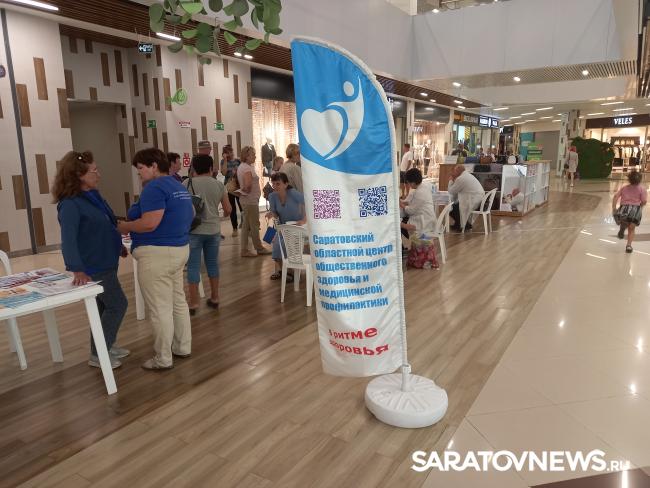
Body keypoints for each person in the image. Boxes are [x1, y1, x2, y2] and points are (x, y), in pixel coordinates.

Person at [117, 148, 194, 370]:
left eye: (141, 168)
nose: (139, 173)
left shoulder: (154, 188)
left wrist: (125, 226)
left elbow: (150, 223)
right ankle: (182, 347)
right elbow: (190, 214)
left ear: (153, 166)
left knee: (160, 309)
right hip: (179, 249)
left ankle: (163, 358)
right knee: (177, 302)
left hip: (157, 254)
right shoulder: (177, 186)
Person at [53, 151, 128, 370]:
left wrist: (118, 244)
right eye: (94, 171)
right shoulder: (70, 205)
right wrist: (77, 269)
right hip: (94, 265)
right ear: (79, 175)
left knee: (103, 307)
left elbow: (107, 223)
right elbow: (68, 240)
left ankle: (103, 347)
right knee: (117, 305)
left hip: (107, 259)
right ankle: (98, 354)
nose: (99, 174)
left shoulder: (93, 196)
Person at [183, 154, 231, 314]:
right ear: (211, 168)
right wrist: (217, 215)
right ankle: (215, 297)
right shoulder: (218, 185)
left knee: (193, 266)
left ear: (193, 168)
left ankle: (194, 303)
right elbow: (228, 210)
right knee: (212, 264)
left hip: (193, 231)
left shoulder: (186, 184)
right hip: (213, 230)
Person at [265, 172, 306, 280]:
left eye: (278, 184)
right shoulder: (272, 196)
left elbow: (309, 203)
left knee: (284, 244)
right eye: (273, 184)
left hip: (296, 227)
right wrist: (271, 214)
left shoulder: (293, 193)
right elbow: (275, 213)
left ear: (286, 184)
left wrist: (304, 220)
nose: (275, 186)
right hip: (282, 227)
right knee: (276, 245)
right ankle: (283, 270)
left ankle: (288, 271)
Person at [237, 146, 272, 257]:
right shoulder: (247, 168)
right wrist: (245, 191)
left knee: (246, 226)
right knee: (254, 225)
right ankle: (259, 248)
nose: (255, 156)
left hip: (247, 200)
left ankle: (244, 250)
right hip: (250, 201)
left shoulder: (243, 166)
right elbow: (248, 185)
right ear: (246, 156)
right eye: (253, 154)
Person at [612, 171, 647, 253]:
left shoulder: (624, 188)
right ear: (640, 180)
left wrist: (614, 208)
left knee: (624, 221)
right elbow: (644, 201)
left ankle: (622, 227)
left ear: (629, 179)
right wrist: (641, 207)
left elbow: (615, 196)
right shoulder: (642, 189)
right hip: (635, 210)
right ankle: (629, 246)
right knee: (631, 228)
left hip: (624, 209)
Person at [399, 168, 435, 239]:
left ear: (412, 183)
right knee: (403, 220)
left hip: (424, 221)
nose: (408, 185)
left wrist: (401, 205)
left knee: (399, 224)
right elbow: (414, 202)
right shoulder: (423, 186)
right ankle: (404, 245)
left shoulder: (420, 192)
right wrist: (404, 202)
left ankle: (408, 244)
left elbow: (411, 211)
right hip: (426, 217)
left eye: (408, 183)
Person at [448, 164, 485, 231]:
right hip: (477, 199)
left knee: (451, 208)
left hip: (472, 200)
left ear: (458, 171)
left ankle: (465, 225)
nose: (453, 173)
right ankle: (459, 224)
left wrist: (451, 181)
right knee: (455, 206)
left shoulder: (461, 178)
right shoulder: (467, 175)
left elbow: (451, 191)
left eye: (454, 171)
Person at [220, 144, 242, 237]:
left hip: (238, 186)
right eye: (227, 152)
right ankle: (235, 228)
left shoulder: (238, 161)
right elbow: (223, 172)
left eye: (231, 151)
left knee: (242, 207)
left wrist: (237, 171)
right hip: (229, 188)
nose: (230, 153)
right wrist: (225, 160)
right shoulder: (223, 161)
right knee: (232, 209)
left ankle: (245, 225)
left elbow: (243, 172)